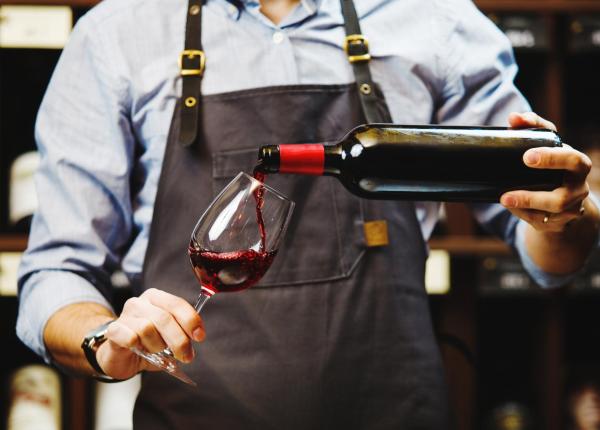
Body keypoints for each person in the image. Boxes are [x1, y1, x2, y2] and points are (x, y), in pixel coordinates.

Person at [16, 0, 600, 428]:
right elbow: (56, 271)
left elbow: (550, 258)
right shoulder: (117, 34)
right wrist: (103, 340)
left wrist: (566, 215)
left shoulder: (436, 22)